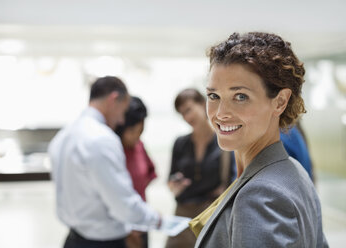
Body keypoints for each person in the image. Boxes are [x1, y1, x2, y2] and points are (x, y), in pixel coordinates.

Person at [189, 32, 329, 247]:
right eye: (214, 96)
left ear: (280, 102)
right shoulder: (294, 172)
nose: (221, 113)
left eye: (241, 97)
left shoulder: (260, 195)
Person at [48, 76, 161, 248]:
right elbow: (123, 205)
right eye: (123, 112)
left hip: (73, 238)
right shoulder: (101, 139)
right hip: (103, 242)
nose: (121, 121)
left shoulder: (63, 135)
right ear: (114, 99)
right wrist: (154, 219)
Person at [165, 88, 236, 248]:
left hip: (210, 215)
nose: (187, 117)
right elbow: (171, 177)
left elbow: (234, 182)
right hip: (183, 216)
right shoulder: (180, 143)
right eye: (182, 113)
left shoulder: (225, 142)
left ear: (203, 104)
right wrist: (174, 185)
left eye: (189, 110)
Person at [115, 96, 157, 248]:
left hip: (141, 223)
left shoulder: (139, 146)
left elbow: (151, 172)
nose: (136, 136)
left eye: (141, 131)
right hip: (120, 229)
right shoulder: (113, 151)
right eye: (132, 131)